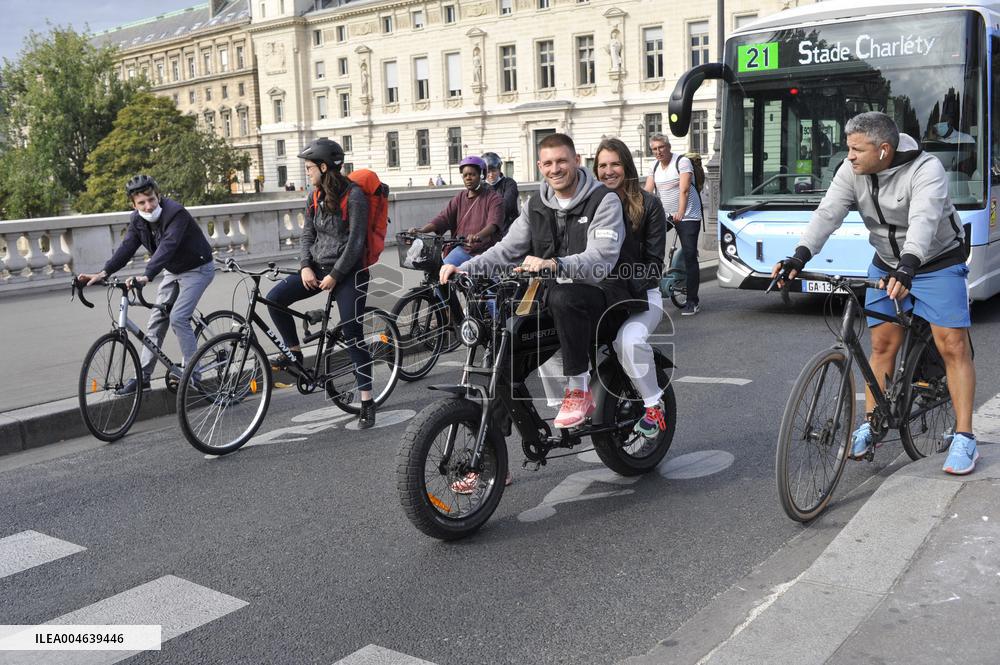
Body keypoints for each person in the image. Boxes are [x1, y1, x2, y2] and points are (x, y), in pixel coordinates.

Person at [771, 111, 978, 475]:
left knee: (952, 345)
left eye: (856, 149)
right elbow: (827, 214)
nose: (849, 156)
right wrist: (799, 256)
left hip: (935, 261)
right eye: (848, 148)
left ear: (884, 150)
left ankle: (964, 437)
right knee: (881, 346)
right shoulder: (852, 172)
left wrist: (909, 266)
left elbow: (925, 221)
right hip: (887, 262)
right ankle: (874, 423)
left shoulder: (926, 170)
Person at [441, 133, 635, 429]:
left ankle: (578, 389)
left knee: (563, 296)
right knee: (503, 356)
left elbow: (602, 259)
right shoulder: (535, 204)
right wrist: (467, 268)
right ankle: (488, 458)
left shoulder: (603, 200)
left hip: (600, 299)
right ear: (539, 166)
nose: (554, 169)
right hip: (549, 300)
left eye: (561, 161)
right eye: (547, 163)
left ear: (577, 161)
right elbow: (508, 250)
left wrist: (555, 265)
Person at [265, 138, 377, 429]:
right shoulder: (314, 196)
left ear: (324, 167)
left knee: (352, 331)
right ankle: (295, 354)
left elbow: (355, 243)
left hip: (349, 273)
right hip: (316, 269)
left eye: (310, 167)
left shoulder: (354, 197)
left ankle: (366, 400)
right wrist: (305, 266)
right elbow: (306, 236)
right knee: (275, 299)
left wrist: (335, 275)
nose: (307, 172)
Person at [78, 175, 215, 394]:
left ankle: (194, 375)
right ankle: (143, 378)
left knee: (178, 318)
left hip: (198, 269)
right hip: (173, 270)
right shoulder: (137, 220)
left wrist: (147, 275)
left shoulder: (175, 213)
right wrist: (104, 272)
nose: (148, 206)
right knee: (157, 320)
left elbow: (167, 246)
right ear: (133, 205)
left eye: (151, 199)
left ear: (158, 196)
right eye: (141, 202)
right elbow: (126, 248)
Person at [593, 137, 669, 438]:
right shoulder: (591, 203)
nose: (608, 171)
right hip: (600, 296)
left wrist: (619, 283)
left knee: (629, 340)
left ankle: (654, 405)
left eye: (614, 164)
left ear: (626, 165)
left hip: (641, 297)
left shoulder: (649, 205)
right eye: (602, 165)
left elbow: (653, 264)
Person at [644, 133, 703, 315]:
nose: (658, 152)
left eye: (661, 147)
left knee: (690, 255)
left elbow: (684, 189)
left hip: (688, 215)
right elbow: (648, 192)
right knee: (647, 247)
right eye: (654, 149)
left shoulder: (682, 162)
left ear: (668, 147)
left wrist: (681, 212)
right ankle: (651, 289)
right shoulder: (653, 166)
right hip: (667, 214)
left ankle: (693, 301)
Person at [409, 155, 504, 267]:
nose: (468, 178)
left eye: (472, 174)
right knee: (441, 273)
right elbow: (443, 218)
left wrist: (478, 236)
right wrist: (422, 230)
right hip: (463, 250)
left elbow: (493, 224)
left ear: (481, 175)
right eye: (465, 175)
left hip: (485, 252)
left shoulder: (494, 198)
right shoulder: (459, 198)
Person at [482, 151, 520, 237]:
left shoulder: (509, 183)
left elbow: (507, 206)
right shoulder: (481, 186)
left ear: (499, 170)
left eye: (494, 171)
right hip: (487, 231)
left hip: (508, 228)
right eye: (488, 172)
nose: (491, 175)